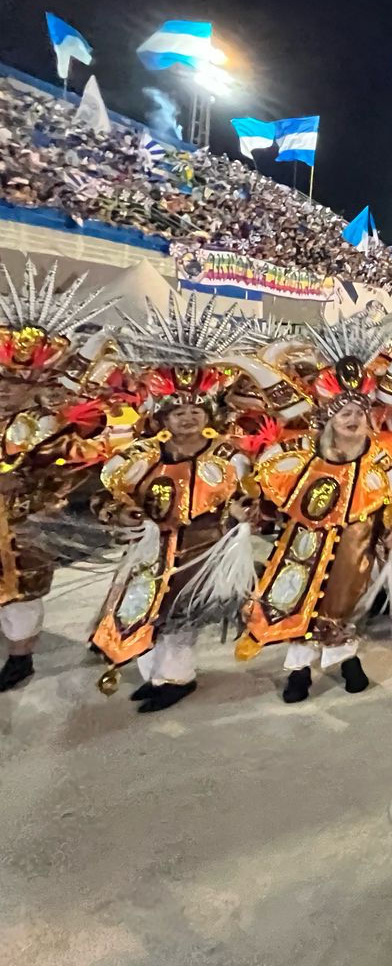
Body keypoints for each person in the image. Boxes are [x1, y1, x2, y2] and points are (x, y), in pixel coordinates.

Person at [229, 315, 392, 704]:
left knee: (342, 603)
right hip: (304, 542)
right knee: (297, 597)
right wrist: (249, 506)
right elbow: (268, 491)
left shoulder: (381, 456)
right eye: (344, 413)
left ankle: (343, 657)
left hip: (356, 543)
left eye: (360, 413)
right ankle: (299, 669)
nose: (353, 419)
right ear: (328, 417)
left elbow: (389, 498)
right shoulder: (300, 451)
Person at [90, 296, 254, 713]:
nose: (188, 418)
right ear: (162, 418)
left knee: (182, 616)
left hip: (200, 548)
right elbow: (105, 497)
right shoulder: (140, 456)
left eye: (196, 410)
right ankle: (155, 675)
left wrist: (242, 513)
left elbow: (247, 499)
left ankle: (177, 679)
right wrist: (122, 513)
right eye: (177, 412)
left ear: (208, 414)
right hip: (149, 551)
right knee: (145, 609)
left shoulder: (228, 457)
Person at [0, 260, 120, 692]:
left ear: (34, 385)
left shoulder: (49, 426)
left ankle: (20, 658)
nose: (3, 388)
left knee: (21, 593)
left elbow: (82, 453)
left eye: (13, 382)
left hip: (21, 526)